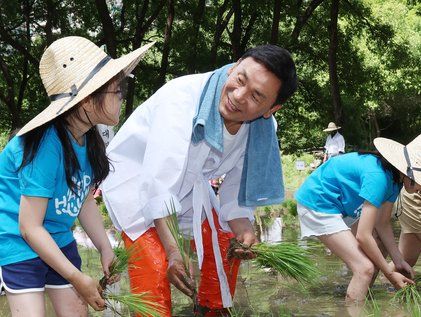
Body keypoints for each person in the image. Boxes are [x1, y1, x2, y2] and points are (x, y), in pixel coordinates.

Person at [101, 44, 297, 315]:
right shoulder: (182, 99)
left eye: (256, 96)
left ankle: (211, 309)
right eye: (240, 79)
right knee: (155, 266)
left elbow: (235, 194)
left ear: (271, 108)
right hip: (136, 181)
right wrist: (173, 252)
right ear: (235, 65)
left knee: (226, 243)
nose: (239, 96)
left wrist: (245, 232)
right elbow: (159, 184)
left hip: (190, 187)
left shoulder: (263, 129)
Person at [0, 36, 153, 316]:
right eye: (117, 89)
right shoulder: (46, 144)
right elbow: (30, 227)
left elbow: (83, 201)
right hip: (20, 242)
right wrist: (76, 278)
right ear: (86, 101)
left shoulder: (89, 140)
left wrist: (105, 249)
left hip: (58, 238)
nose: (122, 95)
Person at [295, 135, 421, 303]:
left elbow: (382, 224)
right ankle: (353, 306)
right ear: (410, 173)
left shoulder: (395, 179)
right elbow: (363, 236)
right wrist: (390, 274)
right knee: (364, 268)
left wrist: (399, 261)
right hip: (318, 202)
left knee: (379, 243)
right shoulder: (379, 177)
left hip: (340, 204)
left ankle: (362, 294)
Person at [395, 186, 421, 270]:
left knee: (406, 260)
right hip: (414, 195)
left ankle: (386, 280)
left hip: (413, 193)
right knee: (405, 262)